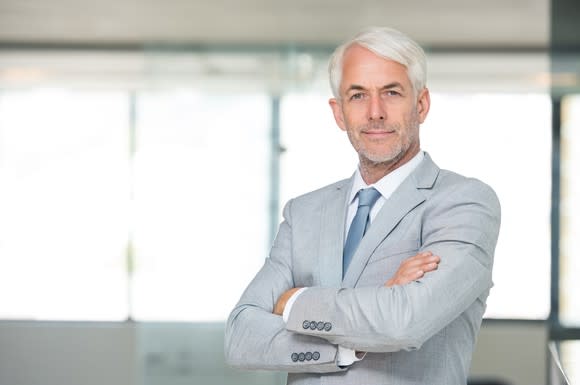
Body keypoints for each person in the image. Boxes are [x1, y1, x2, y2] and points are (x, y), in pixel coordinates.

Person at [225, 26, 501, 385]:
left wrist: (293, 302)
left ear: (421, 104)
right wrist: (349, 344)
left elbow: (405, 322)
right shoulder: (303, 213)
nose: (375, 112)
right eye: (357, 95)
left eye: (391, 92)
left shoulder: (464, 202)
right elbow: (241, 335)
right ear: (339, 113)